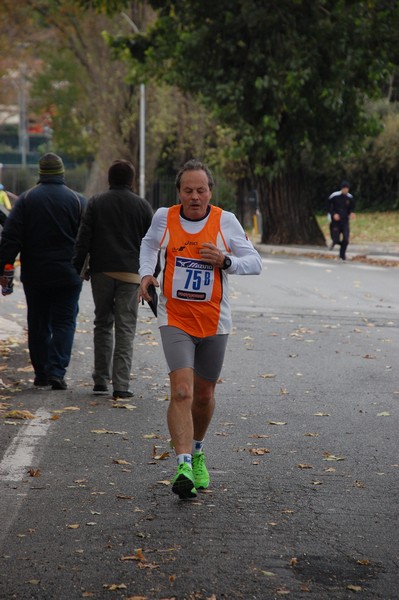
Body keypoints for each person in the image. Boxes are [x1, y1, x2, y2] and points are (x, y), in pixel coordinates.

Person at [139, 159, 262, 499]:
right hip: (175, 316)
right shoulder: (165, 217)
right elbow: (149, 244)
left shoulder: (226, 221)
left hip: (213, 319)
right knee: (181, 391)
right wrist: (147, 272)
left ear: (210, 192)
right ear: (179, 192)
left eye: (201, 190)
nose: (195, 197)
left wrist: (226, 261)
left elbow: (255, 262)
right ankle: (181, 466)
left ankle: (196, 450)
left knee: (204, 395)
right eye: (188, 190)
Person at [0, 153, 86, 389]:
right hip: (69, 274)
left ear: (41, 173)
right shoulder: (78, 201)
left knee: (38, 323)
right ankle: (57, 371)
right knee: (64, 323)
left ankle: (41, 374)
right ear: (61, 173)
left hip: (35, 274)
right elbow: (87, 238)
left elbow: (10, 238)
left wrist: (3, 267)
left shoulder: (26, 200)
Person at [73, 159, 153, 400]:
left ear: (110, 179)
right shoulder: (142, 206)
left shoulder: (97, 202)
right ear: (131, 180)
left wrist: (79, 267)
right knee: (126, 329)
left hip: (102, 272)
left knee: (103, 323)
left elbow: (84, 237)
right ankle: (121, 385)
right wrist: (151, 275)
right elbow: (152, 244)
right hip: (131, 274)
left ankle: (100, 380)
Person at [327, 180, 356, 261]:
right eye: (344, 188)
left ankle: (342, 255)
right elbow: (329, 207)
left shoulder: (350, 197)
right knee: (336, 239)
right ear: (341, 189)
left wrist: (351, 213)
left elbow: (351, 207)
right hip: (335, 221)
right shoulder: (334, 196)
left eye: (347, 189)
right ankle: (334, 242)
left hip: (345, 221)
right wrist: (333, 214)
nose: (346, 190)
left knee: (346, 239)